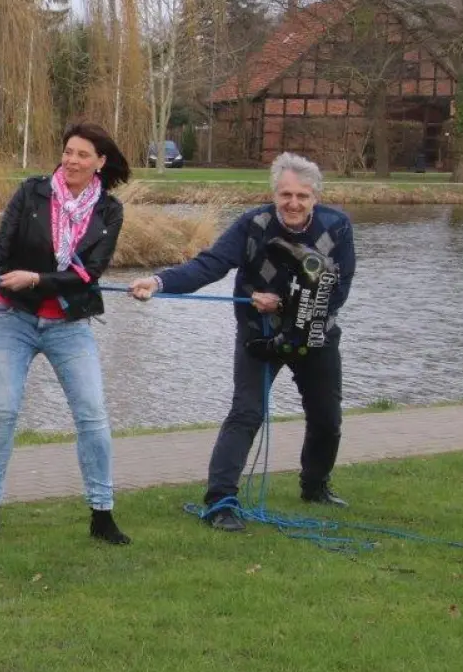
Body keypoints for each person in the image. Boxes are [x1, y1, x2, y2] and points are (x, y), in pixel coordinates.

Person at [129, 152, 355, 531]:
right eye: (285, 194)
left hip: (316, 335)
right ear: (274, 193)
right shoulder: (253, 225)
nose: (293, 203)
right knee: (246, 413)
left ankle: (315, 486)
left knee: (327, 418)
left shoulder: (338, 227)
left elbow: (339, 288)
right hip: (259, 334)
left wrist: (284, 304)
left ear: (315, 196)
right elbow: (209, 265)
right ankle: (221, 501)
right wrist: (159, 282)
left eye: (302, 196)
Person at [0, 123, 133, 545]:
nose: (71, 160)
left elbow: (89, 273)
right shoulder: (32, 192)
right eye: (68, 151)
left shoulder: (109, 211)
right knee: (1, 411)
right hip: (12, 318)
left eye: (82, 154)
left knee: (92, 414)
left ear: (100, 162)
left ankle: (102, 515)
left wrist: (35, 279)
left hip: (69, 324)